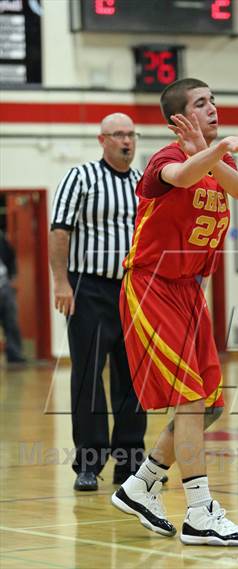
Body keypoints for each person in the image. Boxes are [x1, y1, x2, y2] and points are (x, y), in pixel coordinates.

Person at [112, 78, 238, 545]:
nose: (213, 107)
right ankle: (200, 512)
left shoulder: (213, 165)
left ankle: (140, 485)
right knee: (189, 400)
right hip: (152, 285)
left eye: (214, 100)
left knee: (211, 406)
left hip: (188, 292)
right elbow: (180, 178)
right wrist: (217, 146)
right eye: (201, 103)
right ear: (179, 118)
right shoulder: (166, 159)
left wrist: (215, 150)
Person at [49, 113, 149, 491]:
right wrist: (61, 282)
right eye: (119, 134)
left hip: (134, 291)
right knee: (88, 376)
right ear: (102, 140)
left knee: (133, 378)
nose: (127, 140)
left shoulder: (143, 183)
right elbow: (60, 230)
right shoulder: (81, 177)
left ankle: (131, 464)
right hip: (88, 288)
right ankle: (89, 463)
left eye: (131, 134)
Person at [0, 230, 26, 365]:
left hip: (4, 284)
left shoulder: (1, 238)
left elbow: (11, 256)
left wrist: (13, 277)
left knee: (11, 321)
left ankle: (14, 354)